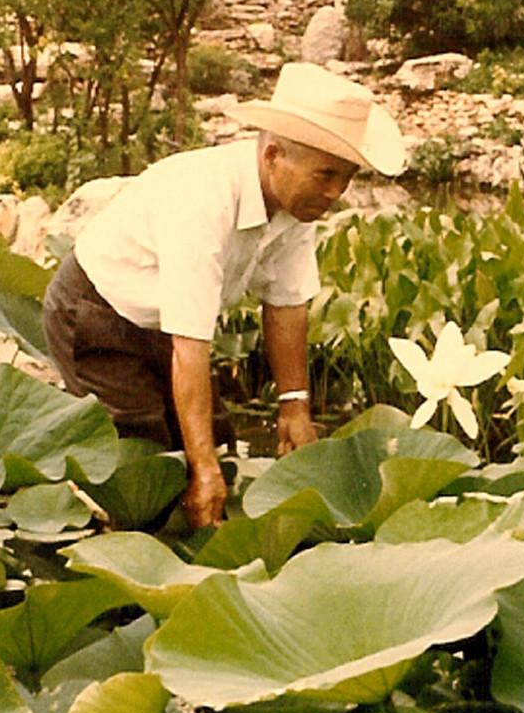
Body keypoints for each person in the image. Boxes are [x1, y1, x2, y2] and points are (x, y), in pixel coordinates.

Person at [42, 62, 406, 529]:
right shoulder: (202, 202)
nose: (337, 192)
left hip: (162, 319)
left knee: (221, 445)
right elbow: (191, 345)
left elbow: (288, 304)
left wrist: (294, 406)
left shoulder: (296, 204)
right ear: (274, 154)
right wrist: (203, 469)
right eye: (327, 175)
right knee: (145, 466)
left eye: (348, 177)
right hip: (94, 311)